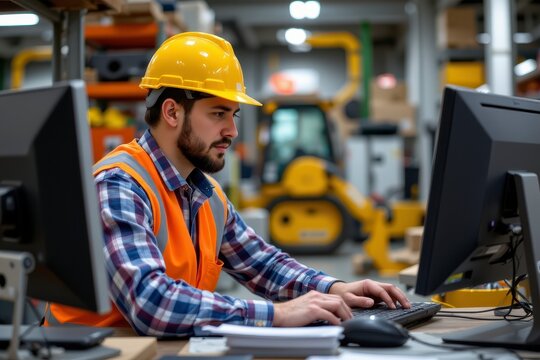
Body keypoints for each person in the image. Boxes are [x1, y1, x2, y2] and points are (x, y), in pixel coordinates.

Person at [49, 32, 410, 336]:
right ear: (172, 112)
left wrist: (335, 288)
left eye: (233, 116)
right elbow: (151, 302)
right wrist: (278, 315)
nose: (232, 132)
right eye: (219, 114)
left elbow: (262, 264)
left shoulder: (205, 193)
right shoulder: (119, 185)